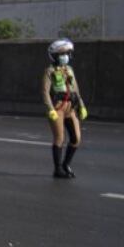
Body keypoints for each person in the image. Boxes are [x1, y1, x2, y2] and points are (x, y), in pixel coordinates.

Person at [43, 38, 88, 178]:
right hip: (58, 107)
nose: (65, 56)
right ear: (55, 55)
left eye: (67, 53)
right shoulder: (49, 71)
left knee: (76, 138)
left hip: (71, 107)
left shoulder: (69, 70)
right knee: (59, 138)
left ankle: (65, 164)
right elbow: (45, 92)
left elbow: (76, 89)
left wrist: (81, 105)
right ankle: (57, 169)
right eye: (62, 53)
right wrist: (50, 109)